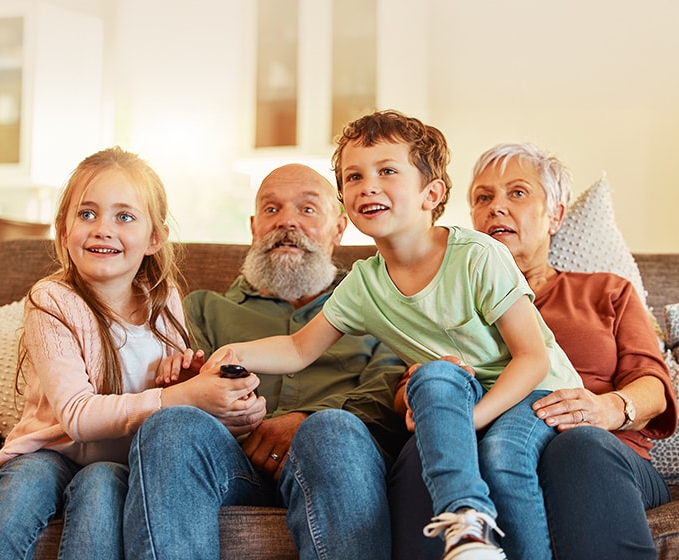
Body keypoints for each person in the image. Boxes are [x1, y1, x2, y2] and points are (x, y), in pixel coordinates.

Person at [204, 111, 583, 560]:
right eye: (354, 176)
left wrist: (474, 419)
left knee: (501, 456)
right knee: (433, 380)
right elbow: (297, 348)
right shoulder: (365, 283)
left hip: (537, 391)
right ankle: (465, 529)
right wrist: (233, 352)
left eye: (387, 171)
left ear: (432, 193)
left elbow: (532, 360)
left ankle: (469, 527)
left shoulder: (480, 255)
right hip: (457, 394)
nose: (368, 186)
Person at [0, 146, 265, 560]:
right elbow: (78, 415)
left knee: (101, 484)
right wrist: (181, 396)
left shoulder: (165, 299)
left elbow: (164, 401)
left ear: (155, 238)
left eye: (124, 216)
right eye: (87, 214)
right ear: (64, 231)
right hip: (51, 451)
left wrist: (185, 381)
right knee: (25, 483)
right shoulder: (51, 301)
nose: (103, 228)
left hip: (122, 462)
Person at [388, 141, 677, 560]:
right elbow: (406, 389)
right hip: (478, 446)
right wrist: (415, 402)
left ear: (555, 216)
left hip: (601, 450)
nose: (496, 208)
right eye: (483, 197)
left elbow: (652, 384)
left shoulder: (606, 292)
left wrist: (609, 409)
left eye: (518, 193)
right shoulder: (444, 297)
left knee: (578, 447)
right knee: (425, 452)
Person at [124, 162, 408, 560]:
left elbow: (390, 388)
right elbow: (188, 396)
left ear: (339, 228)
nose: (286, 223)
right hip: (233, 463)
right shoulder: (202, 309)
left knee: (330, 431)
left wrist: (306, 420)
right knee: (172, 425)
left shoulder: (378, 302)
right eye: (272, 210)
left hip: (337, 457)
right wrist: (191, 389)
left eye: (307, 210)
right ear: (254, 227)